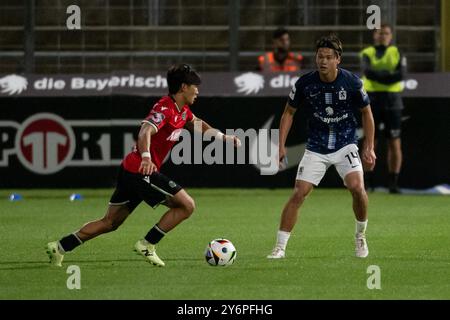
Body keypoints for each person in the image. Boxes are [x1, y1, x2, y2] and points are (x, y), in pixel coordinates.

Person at [46, 64, 241, 267]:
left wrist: (223, 137)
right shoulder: (164, 108)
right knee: (187, 206)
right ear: (183, 87)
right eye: (194, 85)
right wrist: (147, 157)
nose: (198, 90)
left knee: (110, 223)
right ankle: (147, 244)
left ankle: (59, 247)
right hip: (141, 170)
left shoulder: (182, 111)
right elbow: (145, 130)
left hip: (131, 169)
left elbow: (198, 124)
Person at [267, 34, 376, 259]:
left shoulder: (352, 82)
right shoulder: (305, 83)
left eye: (328, 57)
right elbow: (289, 112)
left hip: (346, 144)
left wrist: (369, 146)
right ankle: (279, 248)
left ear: (338, 59)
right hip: (316, 146)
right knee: (299, 193)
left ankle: (360, 235)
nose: (323, 61)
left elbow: (367, 113)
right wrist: (281, 145)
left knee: (357, 188)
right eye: (319, 56)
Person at [360, 24, 406, 193]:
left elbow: (401, 74)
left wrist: (381, 77)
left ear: (391, 36)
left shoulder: (397, 52)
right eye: (380, 33)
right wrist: (388, 76)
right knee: (370, 142)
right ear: (374, 35)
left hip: (393, 101)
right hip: (371, 100)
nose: (383, 36)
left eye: (386, 33)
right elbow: (368, 72)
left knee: (394, 142)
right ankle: (365, 182)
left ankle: (393, 183)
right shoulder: (367, 53)